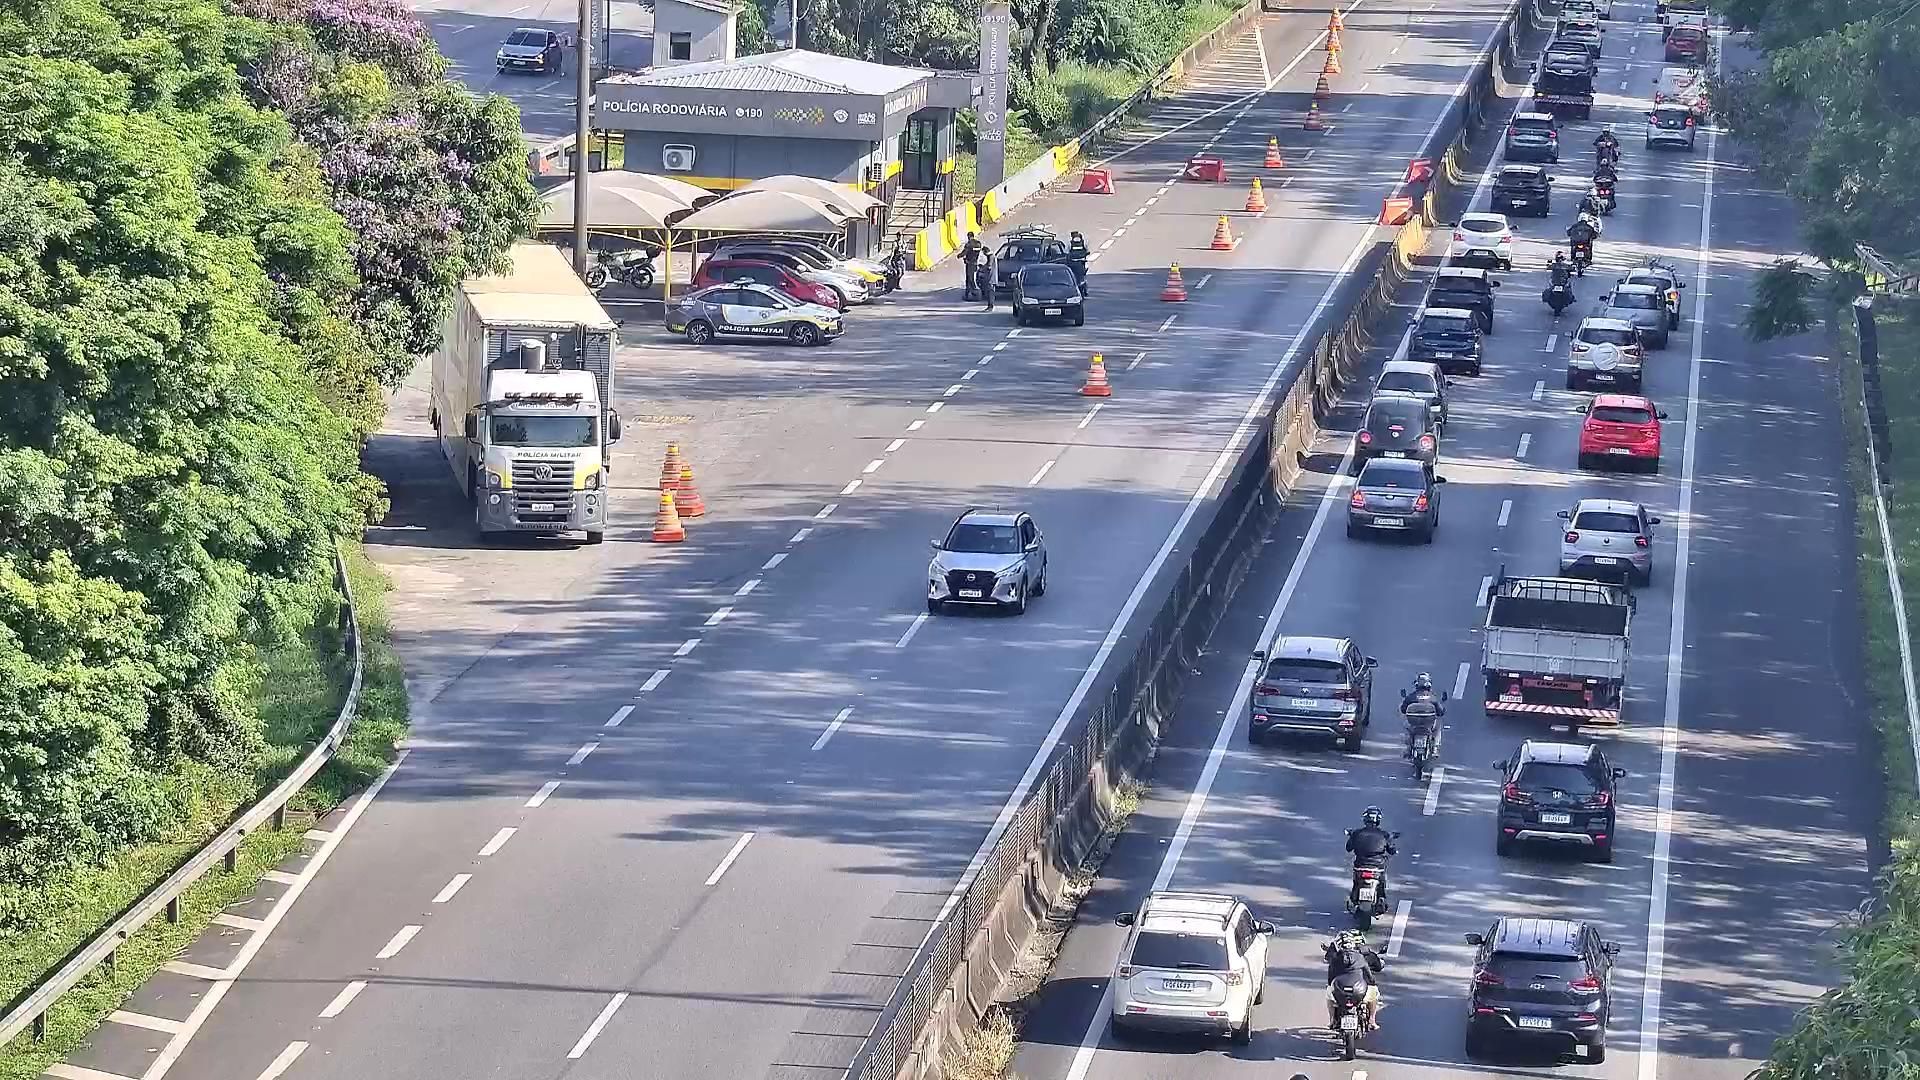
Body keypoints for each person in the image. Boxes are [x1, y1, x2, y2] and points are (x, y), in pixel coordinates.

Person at [1323, 929, 1385, 1031]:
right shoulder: (1360, 957)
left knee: (1329, 997)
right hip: (1358, 989)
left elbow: (1331, 976)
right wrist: (1372, 983)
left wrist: (1331, 985)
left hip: (1341, 991)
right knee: (1374, 995)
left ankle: (1332, 1021)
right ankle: (1372, 1021)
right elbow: (1369, 974)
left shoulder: (1335, 958)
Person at [1345, 806, 1396, 903]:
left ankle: (1354, 898)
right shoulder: (1384, 835)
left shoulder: (1357, 833)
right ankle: (1381, 898)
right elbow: (1392, 850)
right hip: (1377, 867)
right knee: (1381, 882)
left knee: (1356, 882)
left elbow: (1348, 848)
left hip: (1360, 866)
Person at [960, 232, 984, 300]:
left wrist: (959, 256)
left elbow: (964, 252)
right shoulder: (978, 244)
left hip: (969, 263)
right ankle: (971, 293)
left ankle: (970, 294)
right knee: (972, 278)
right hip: (975, 263)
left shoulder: (969, 244)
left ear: (968, 237)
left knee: (969, 279)